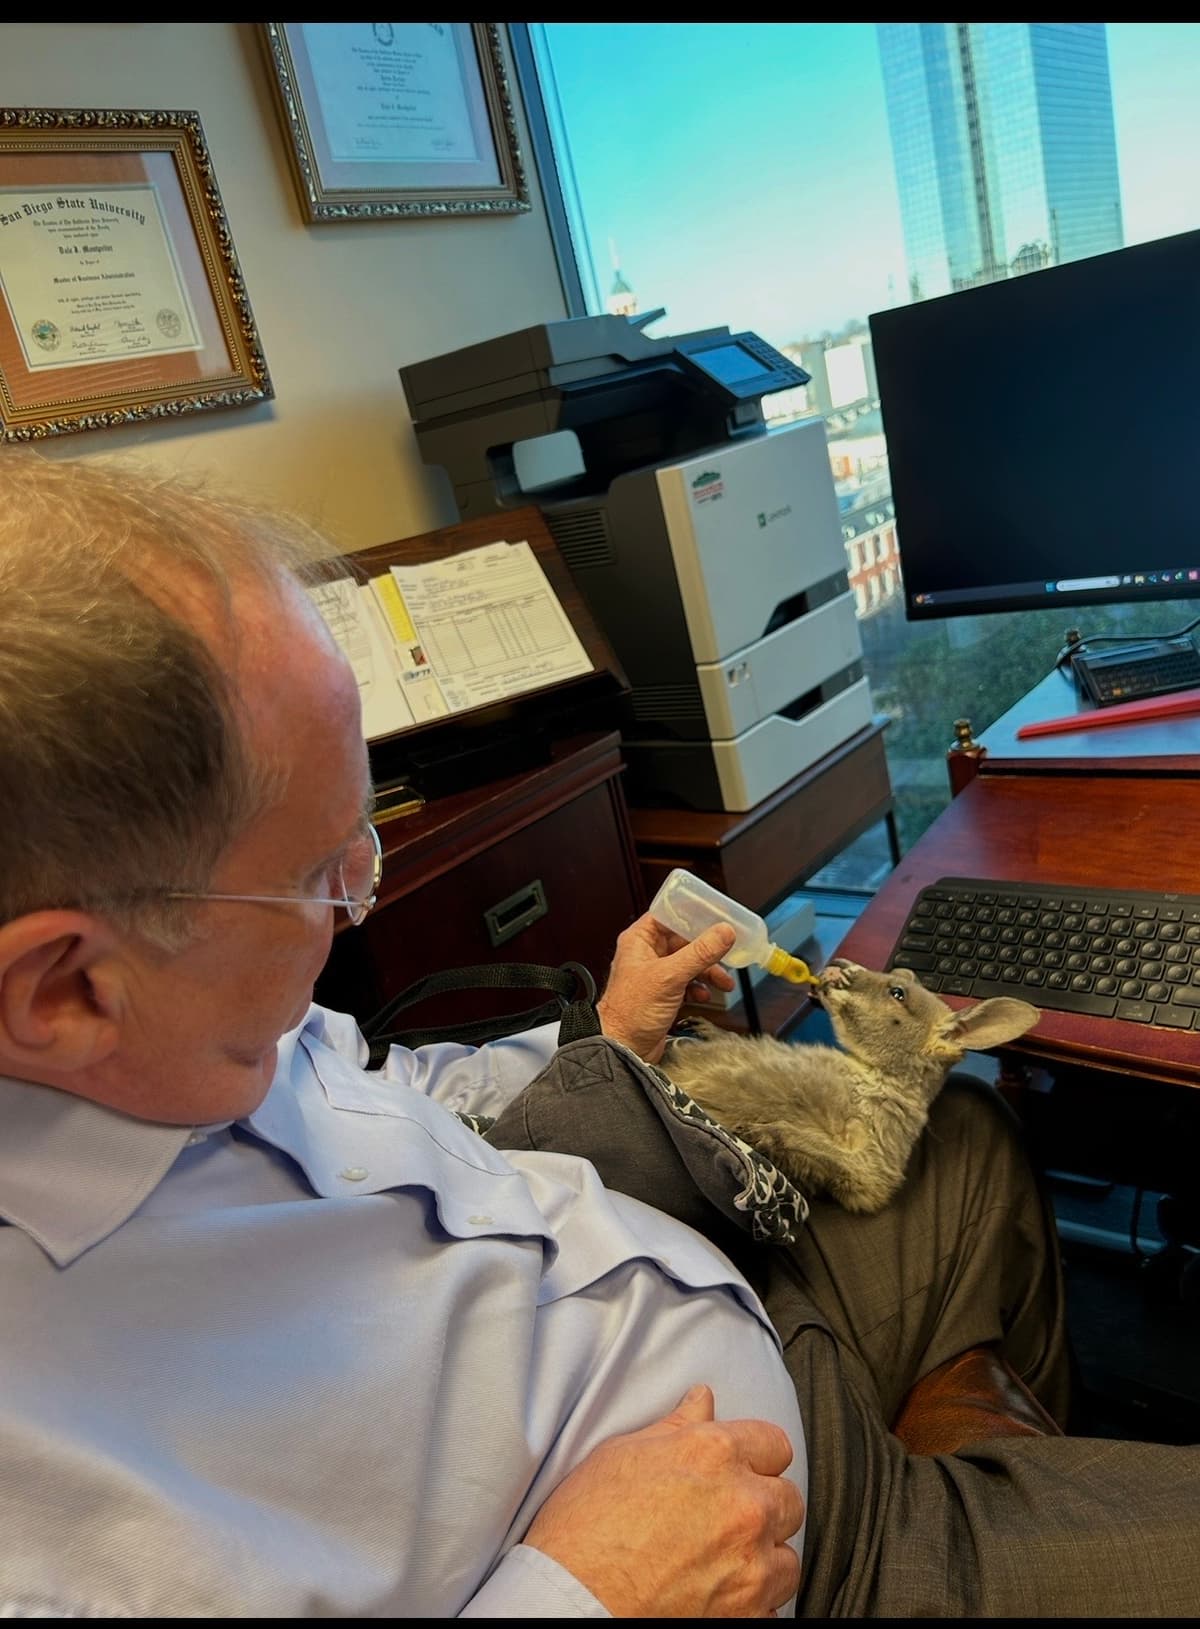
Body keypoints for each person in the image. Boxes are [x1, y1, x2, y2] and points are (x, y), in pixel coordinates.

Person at [0, 450, 1197, 1620]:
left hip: (722, 1276)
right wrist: (587, 1591)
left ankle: (998, 1459)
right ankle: (972, 1516)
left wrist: (607, 1037)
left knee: (969, 1142)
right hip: (763, 1541)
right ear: (65, 991)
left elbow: (384, 1086)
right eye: (324, 872)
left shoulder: (185, 1028)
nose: (358, 895)